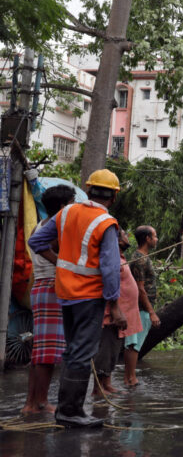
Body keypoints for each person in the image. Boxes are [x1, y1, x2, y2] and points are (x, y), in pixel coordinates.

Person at [28, 169, 126, 428]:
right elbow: (109, 267)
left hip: (65, 294)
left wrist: (60, 263)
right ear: (114, 196)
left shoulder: (66, 212)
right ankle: (71, 412)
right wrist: (114, 305)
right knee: (82, 353)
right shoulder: (106, 223)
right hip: (89, 297)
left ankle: (66, 410)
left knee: (73, 351)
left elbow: (36, 241)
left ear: (89, 189)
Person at [22, 185, 75, 415]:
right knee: (48, 352)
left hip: (41, 288)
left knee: (41, 349)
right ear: (63, 207)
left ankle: (31, 403)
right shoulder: (56, 228)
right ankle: (40, 403)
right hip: (52, 288)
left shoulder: (39, 227)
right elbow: (58, 252)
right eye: (72, 203)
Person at [94, 229, 142, 395]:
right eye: (123, 234)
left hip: (122, 314)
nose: (127, 236)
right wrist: (114, 309)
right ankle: (98, 388)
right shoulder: (111, 256)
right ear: (116, 239)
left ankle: (106, 384)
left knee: (113, 349)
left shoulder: (120, 256)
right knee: (106, 348)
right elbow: (108, 280)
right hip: (113, 313)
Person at [123, 225, 160, 387]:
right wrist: (151, 312)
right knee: (134, 343)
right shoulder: (139, 259)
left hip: (142, 307)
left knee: (135, 343)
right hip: (140, 308)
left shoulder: (142, 257)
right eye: (155, 236)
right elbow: (140, 288)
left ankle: (130, 377)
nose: (156, 239)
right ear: (147, 239)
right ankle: (130, 378)